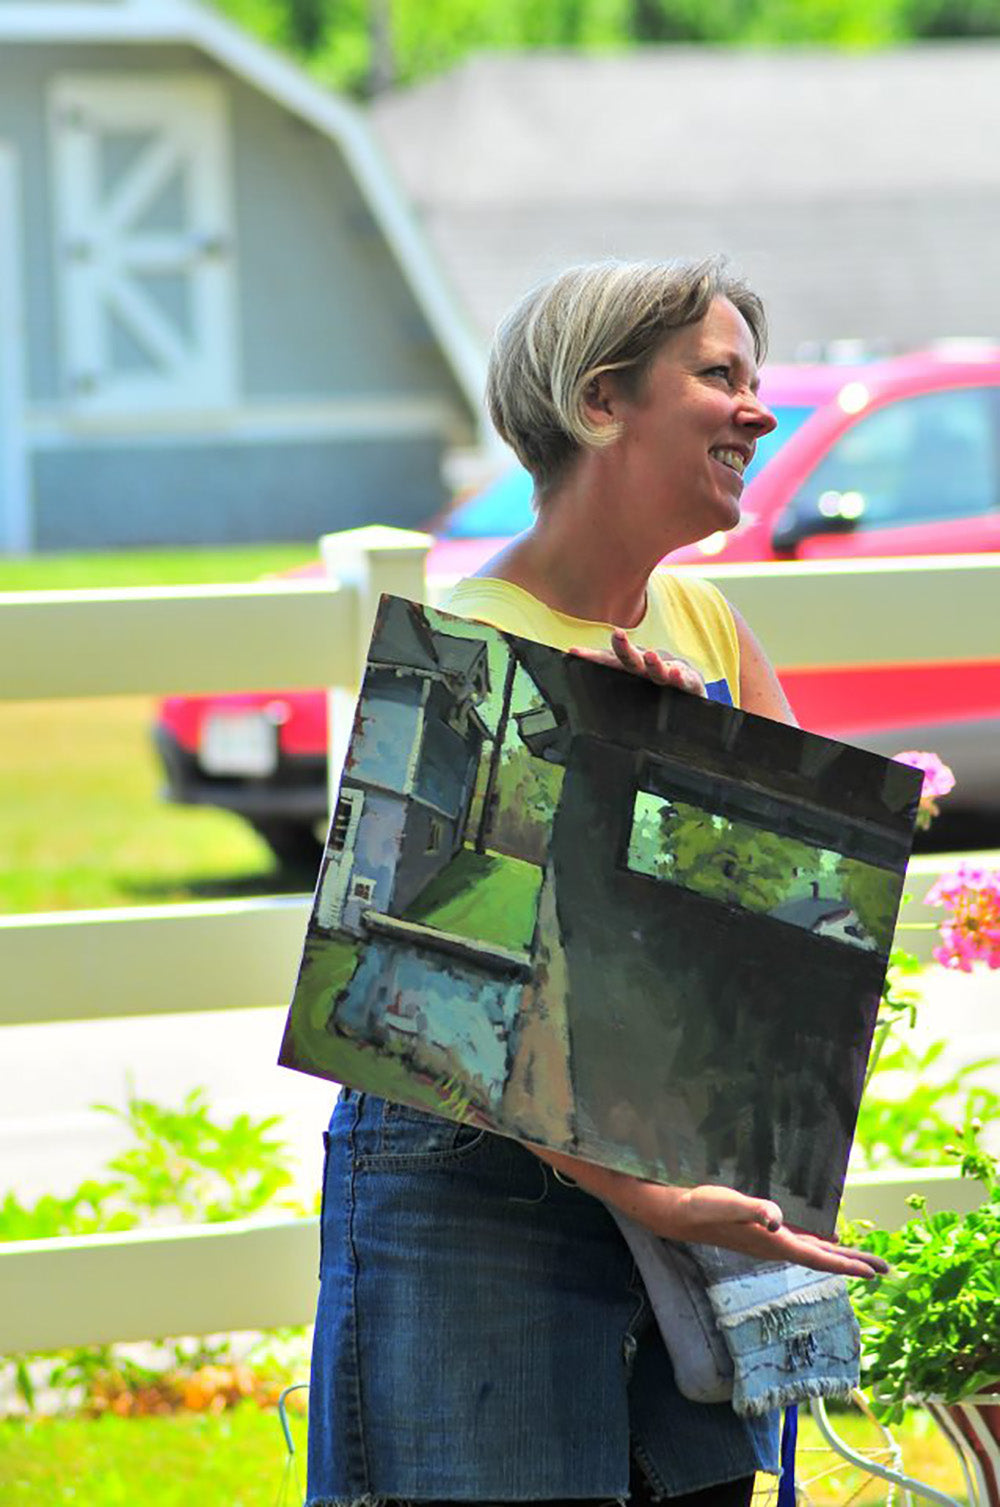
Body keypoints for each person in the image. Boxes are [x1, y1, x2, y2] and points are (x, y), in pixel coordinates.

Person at [306, 258, 887, 1507]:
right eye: (718, 376)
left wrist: (689, 781)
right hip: (474, 1190)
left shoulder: (707, 626)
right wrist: (654, 1193)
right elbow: (417, 1006)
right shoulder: (467, 648)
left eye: (753, 378)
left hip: (680, 1177)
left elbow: (797, 938)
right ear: (600, 401)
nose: (758, 411)